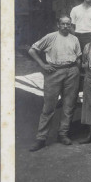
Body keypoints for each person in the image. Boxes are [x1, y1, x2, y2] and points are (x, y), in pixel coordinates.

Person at [28, 16, 82, 151]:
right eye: (63, 24)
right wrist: (43, 65)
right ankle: (41, 138)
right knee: (49, 107)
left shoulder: (74, 38)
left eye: (68, 24)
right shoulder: (50, 37)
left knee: (68, 105)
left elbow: (79, 56)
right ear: (58, 25)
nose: (65, 26)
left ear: (71, 26)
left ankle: (63, 134)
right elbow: (32, 50)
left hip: (72, 71)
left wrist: (76, 69)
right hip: (54, 72)